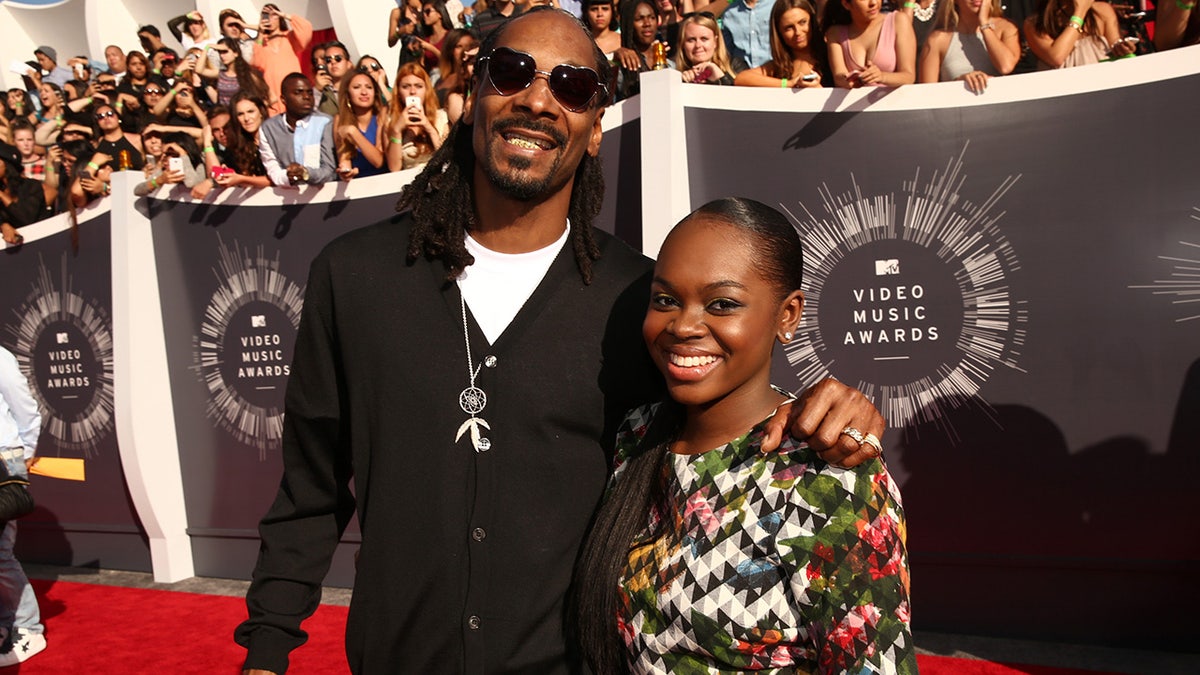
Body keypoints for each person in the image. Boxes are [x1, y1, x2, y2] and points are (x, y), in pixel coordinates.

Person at [235, 8, 884, 673]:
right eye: (512, 72)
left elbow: (712, 422)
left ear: (596, 128)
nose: (539, 99)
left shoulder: (635, 298)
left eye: (573, 86)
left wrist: (809, 412)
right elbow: (310, 488)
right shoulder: (353, 276)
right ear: (471, 99)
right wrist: (266, 648)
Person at [573, 197, 914, 673]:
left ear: (788, 315)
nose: (684, 325)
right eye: (666, 299)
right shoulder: (637, 435)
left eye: (722, 304)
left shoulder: (827, 478)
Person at [0, 346, 46, 665]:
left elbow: (25, 406)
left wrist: (23, 452)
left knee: (0, 551)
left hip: (2, 459)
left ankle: (27, 627)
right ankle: (7, 622)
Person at [918, 0, 1020, 93]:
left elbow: (1005, 67)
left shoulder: (1006, 28)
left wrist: (984, 24)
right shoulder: (938, 39)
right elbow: (927, 92)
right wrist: (960, 83)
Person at [257, 73, 336, 187]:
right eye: (298, 92)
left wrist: (305, 173)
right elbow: (272, 168)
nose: (306, 97)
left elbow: (329, 171)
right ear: (283, 99)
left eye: (309, 92)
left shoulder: (325, 122)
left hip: (323, 198)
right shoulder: (268, 128)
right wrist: (288, 176)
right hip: (288, 198)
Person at [825, 0, 918, 88]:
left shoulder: (898, 21)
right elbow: (838, 75)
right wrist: (849, 80)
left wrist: (882, 77)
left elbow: (908, 76)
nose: (873, 3)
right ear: (846, 4)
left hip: (893, 102)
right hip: (852, 103)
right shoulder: (835, 34)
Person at [736, 0, 828, 88]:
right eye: (789, 28)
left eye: (802, 22)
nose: (798, 32)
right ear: (779, 32)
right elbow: (741, 78)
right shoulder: (780, 66)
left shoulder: (829, 57)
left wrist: (817, 88)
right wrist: (788, 84)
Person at [1023, 0, 1133, 69]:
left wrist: (1123, 48)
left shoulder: (1102, 11)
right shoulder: (1035, 23)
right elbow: (1056, 57)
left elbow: (1114, 45)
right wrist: (1080, 12)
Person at [252, 4, 314, 115]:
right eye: (266, 16)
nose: (269, 19)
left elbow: (306, 27)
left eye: (273, 15)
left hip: (294, 87)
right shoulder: (262, 41)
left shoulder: (289, 37)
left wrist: (285, 15)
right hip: (274, 92)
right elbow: (257, 62)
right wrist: (260, 34)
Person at [385, 63, 449, 171]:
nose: (413, 92)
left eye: (419, 86)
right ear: (398, 92)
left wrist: (428, 127)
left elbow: (446, 160)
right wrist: (397, 130)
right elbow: (394, 168)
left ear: (426, 90)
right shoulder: (390, 121)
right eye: (406, 87)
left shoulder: (441, 117)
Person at [334, 70, 388, 179]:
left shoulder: (383, 114)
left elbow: (378, 161)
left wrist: (354, 133)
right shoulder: (340, 119)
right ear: (347, 94)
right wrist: (346, 174)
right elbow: (344, 160)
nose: (364, 92)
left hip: (385, 182)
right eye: (357, 87)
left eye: (369, 87)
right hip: (359, 186)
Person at [214, 93, 271, 189]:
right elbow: (215, 172)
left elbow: (279, 179)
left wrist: (242, 179)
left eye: (250, 111)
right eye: (240, 114)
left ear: (261, 112)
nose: (246, 118)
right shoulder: (236, 146)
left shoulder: (276, 138)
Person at [674, 12, 748, 84]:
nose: (698, 45)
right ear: (682, 44)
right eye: (691, 40)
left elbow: (743, 95)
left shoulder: (736, 66)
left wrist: (721, 78)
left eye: (704, 39)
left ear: (715, 42)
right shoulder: (676, 77)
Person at [614, 0, 666, 101]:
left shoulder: (669, 64)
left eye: (652, 18)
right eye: (639, 19)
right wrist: (615, 60)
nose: (647, 23)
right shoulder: (622, 65)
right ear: (628, 24)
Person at [93, 103, 145, 170]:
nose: (106, 118)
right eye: (100, 116)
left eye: (110, 114)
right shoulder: (97, 144)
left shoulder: (137, 139)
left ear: (118, 117)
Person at [316, 42, 355, 118]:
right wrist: (317, 91)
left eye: (338, 58)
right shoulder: (321, 91)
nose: (333, 62)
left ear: (349, 64)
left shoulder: (358, 86)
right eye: (328, 60)